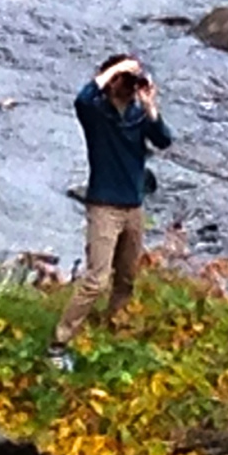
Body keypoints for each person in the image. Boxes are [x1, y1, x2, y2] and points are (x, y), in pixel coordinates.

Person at [47, 54, 174, 371]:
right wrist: (115, 70)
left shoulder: (137, 115)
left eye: (133, 79)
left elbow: (163, 140)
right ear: (110, 80)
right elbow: (82, 99)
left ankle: (112, 332)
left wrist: (150, 106)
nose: (129, 84)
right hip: (104, 206)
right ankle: (58, 343)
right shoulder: (96, 113)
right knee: (96, 279)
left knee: (127, 278)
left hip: (133, 206)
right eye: (124, 79)